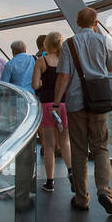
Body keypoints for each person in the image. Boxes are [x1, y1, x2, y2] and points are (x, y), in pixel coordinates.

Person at [54, 7, 112, 215]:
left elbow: (64, 76)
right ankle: (104, 190)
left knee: (79, 150)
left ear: (77, 22)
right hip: (99, 101)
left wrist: (57, 102)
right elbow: (111, 66)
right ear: (96, 23)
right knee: (101, 147)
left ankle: (82, 198)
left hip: (76, 103)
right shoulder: (104, 41)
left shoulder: (69, 44)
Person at [32, 32, 71, 193]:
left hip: (47, 103)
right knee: (65, 141)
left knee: (48, 145)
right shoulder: (66, 60)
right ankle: (71, 172)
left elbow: (34, 85)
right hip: (64, 103)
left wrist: (42, 82)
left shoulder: (42, 61)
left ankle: (50, 182)